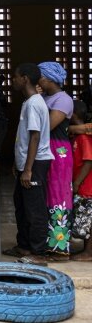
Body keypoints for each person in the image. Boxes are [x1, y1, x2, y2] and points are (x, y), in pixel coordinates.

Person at [4, 63, 54, 265]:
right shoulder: (30, 102)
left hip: (36, 164)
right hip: (27, 163)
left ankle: (38, 252)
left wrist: (28, 169)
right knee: (22, 205)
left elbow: (35, 137)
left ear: (24, 78)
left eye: (15, 76)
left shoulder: (34, 103)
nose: (13, 80)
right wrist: (19, 164)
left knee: (34, 208)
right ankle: (23, 245)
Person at [38, 61, 74, 259]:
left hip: (58, 151)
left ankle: (60, 247)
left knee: (59, 196)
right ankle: (46, 242)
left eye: (40, 77)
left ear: (48, 79)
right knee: (46, 195)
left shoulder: (63, 99)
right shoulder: (43, 97)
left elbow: (48, 125)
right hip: (44, 149)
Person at [70, 100, 92, 261]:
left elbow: (88, 160)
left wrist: (77, 182)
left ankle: (88, 252)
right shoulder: (79, 135)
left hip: (87, 186)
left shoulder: (83, 137)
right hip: (84, 184)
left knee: (88, 219)